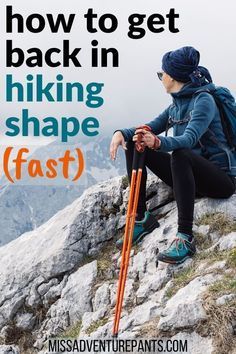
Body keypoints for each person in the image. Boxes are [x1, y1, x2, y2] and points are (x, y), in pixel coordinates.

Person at [109, 46, 236, 264]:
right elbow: (150, 126)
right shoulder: (177, 104)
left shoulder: (203, 101)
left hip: (221, 180)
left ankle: (185, 237)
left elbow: (189, 139)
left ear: (173, 77)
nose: (161, 78)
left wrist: (158, 142)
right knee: (135, 141)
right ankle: (141, 219)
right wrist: (122, 133)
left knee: (181, 153)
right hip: (192, 179)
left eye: (162, 74)